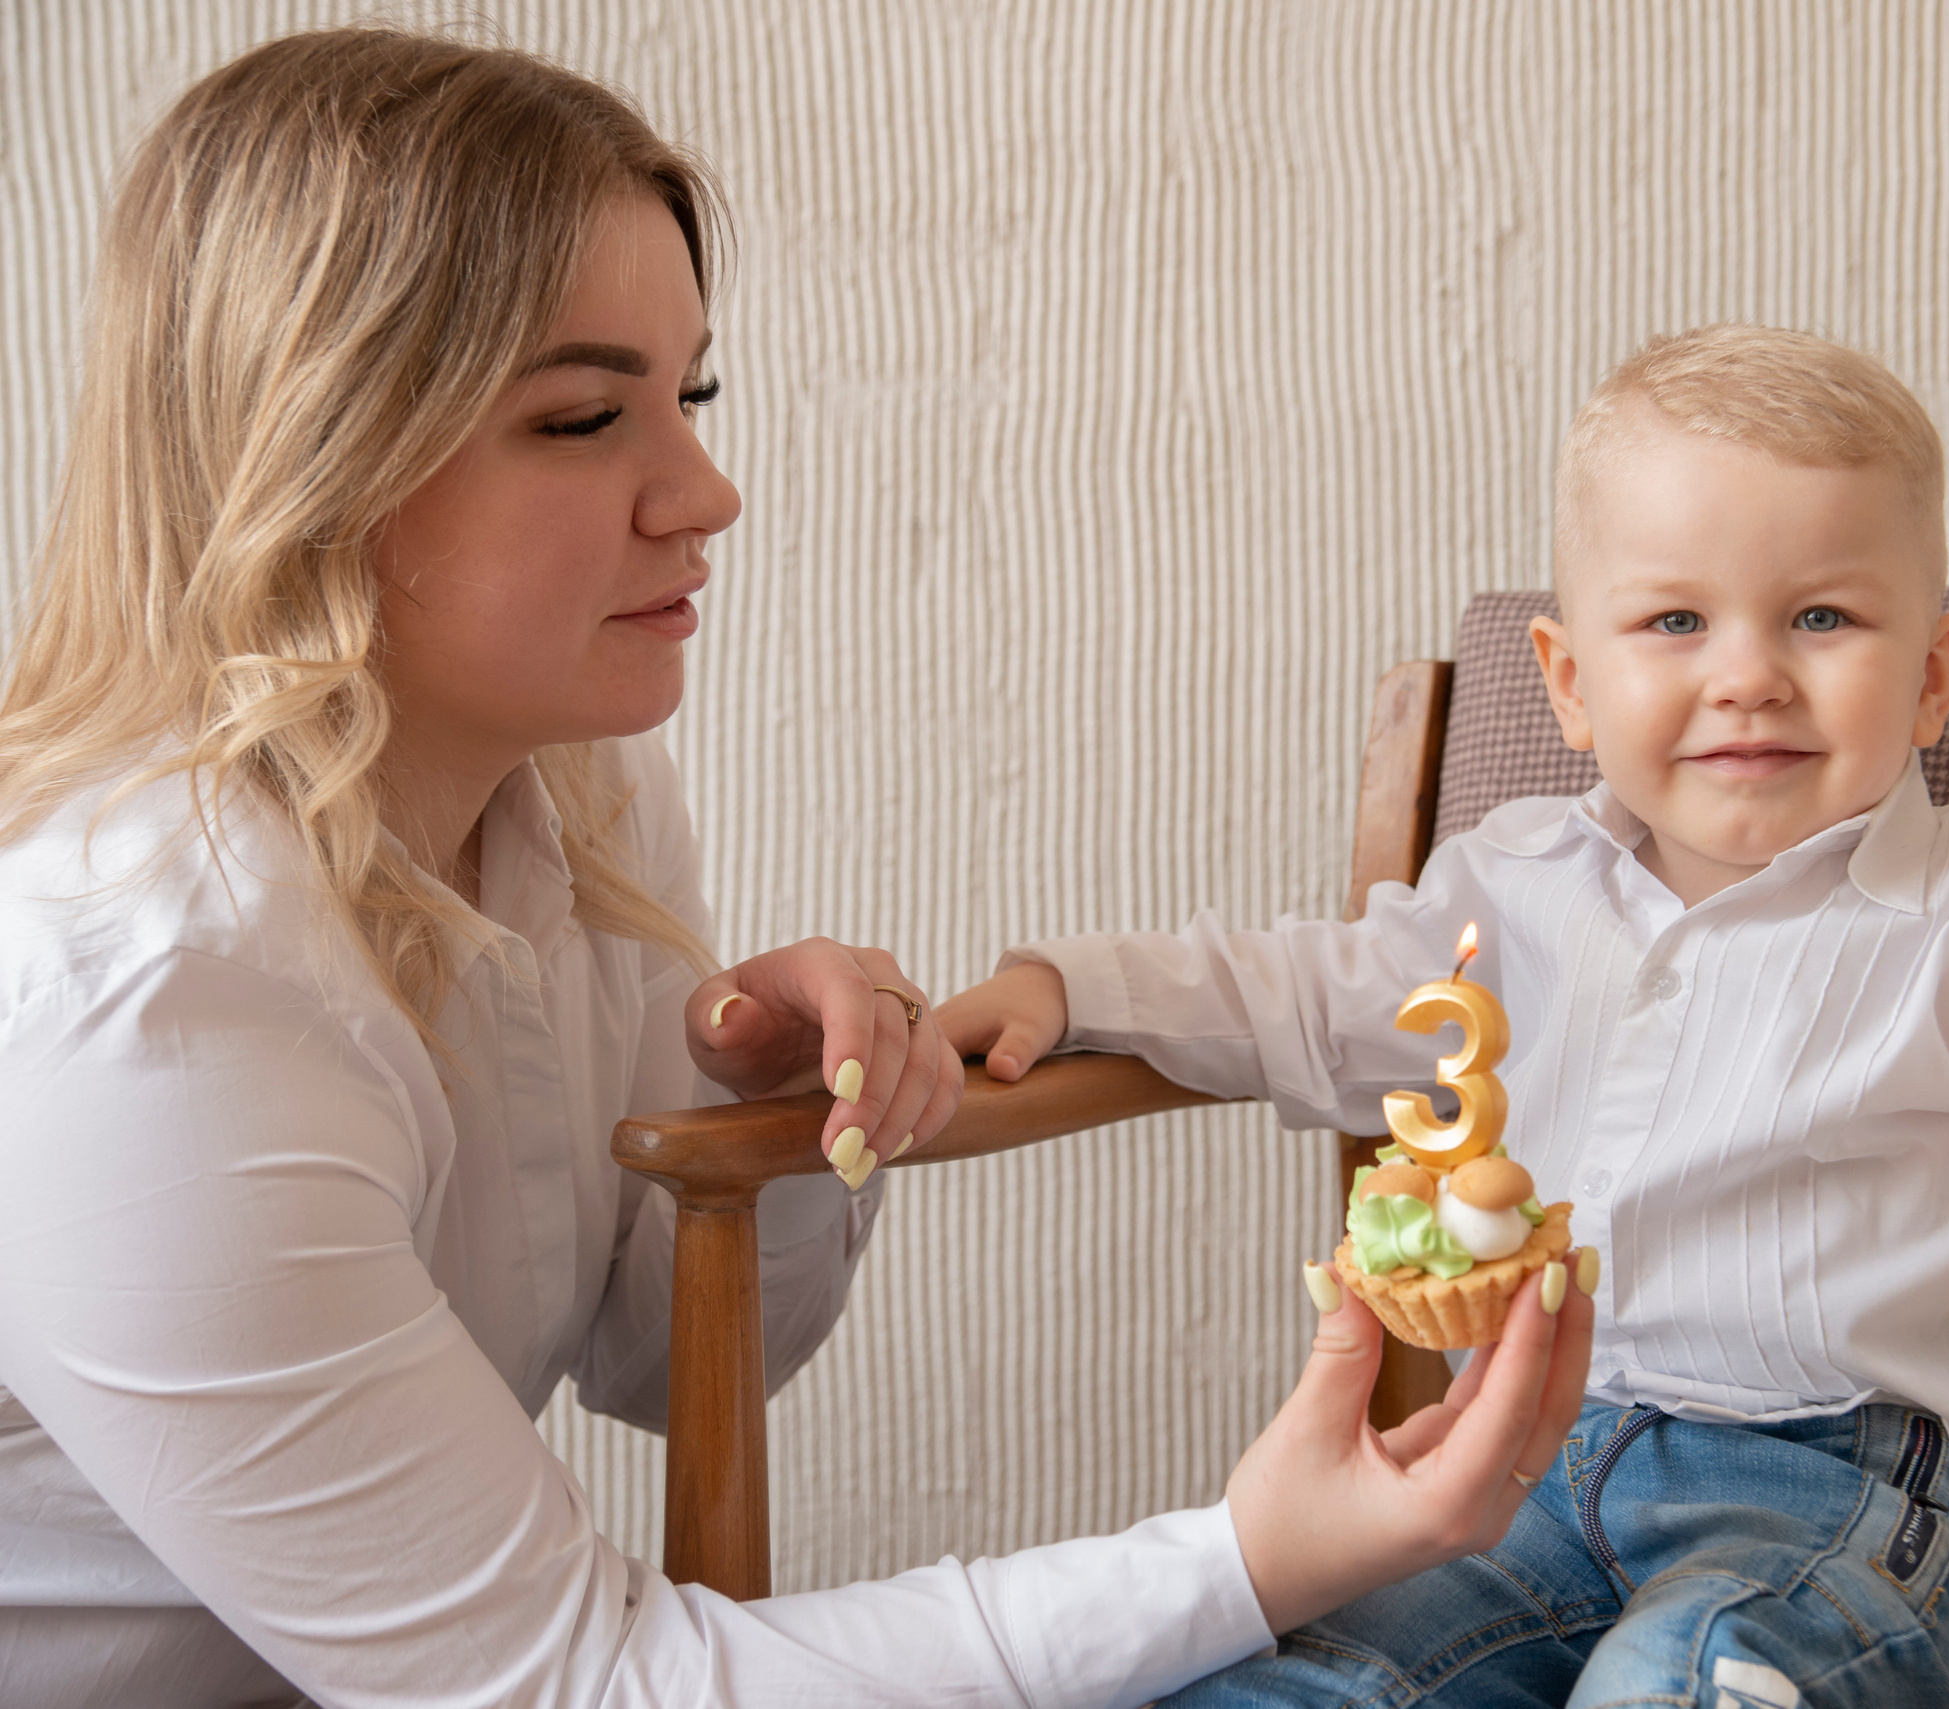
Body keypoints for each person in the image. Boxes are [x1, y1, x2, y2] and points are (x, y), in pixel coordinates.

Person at [0, 28, 1594, 1709]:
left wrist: (776, 1101)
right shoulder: (146, 1008)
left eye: (687, 397)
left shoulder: (576, 789)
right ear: (316, 452)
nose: (706, 488)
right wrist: (1251, 1557)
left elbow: (651, 1357)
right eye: (584, 415)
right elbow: (577, 1685)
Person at [939, 324, 1949, 1707]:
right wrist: (1071, 986)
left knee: (1699, 1677)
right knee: (1287, 1675)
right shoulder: (1510, 887)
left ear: (1933, 675)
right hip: (1519, 1475)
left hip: (1869, 1505)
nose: (1749, 677)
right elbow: (1294, 991)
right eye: (1674, 623)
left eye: (1824, 619)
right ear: (1569, 682)